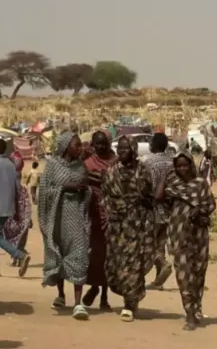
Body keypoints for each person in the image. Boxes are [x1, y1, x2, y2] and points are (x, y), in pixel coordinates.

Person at [156, 151, 216, 331]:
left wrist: (200, 212)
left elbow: (210, 204)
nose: (182, 169)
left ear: (191, 165)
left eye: (185, 165)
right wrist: (166, 175)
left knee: (198, 271)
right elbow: (158, 197)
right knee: (183, 273)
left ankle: (197, 308)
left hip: (198, 234)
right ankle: (189, 312)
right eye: (178, 166)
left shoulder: (200, 184)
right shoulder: (173, 184)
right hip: (178, 233)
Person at [38, 131, 92, 320]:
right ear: (65, 146)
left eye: (80, 145)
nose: (80, 148)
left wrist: (86, 190)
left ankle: (78, 303)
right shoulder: (52, 166)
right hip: (57, 216)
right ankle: (61, 295)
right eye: (76, 145)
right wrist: (64, 188)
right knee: (59, 252)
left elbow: (87, 187)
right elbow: (43, 191)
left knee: (79, 254)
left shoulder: (81, 167)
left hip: (76, 215)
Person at [102, 135, 156, 322]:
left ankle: (129, 303)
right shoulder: (111, 171)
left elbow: (150, 198)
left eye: (126, 149)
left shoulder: (143, 170)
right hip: (117, 226)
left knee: (133, 264)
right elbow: (106, 196)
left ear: (133, 150)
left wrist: (142, 206)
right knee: (115, 264)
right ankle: (127, 296)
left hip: (137, 225)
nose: (122, 152)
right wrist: (112, 212)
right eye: (120, 149)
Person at [0, 138, 31, 277]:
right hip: (9, 205)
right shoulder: (10, 164)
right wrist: (17, 209)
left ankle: (19, 255)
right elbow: (17, 188)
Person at [82, 130, 116, 310]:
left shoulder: (115, 162)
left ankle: (104, 295)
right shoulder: (87, 163)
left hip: (111, 216)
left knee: (108, 257)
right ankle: (94, 287)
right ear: (93, 145)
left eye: (104, 144)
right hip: (92, 215)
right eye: (98, 144)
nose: (101, 147)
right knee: (94, 256)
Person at [142, 133, 174, 290]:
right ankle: (158, 281)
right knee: (160, 243)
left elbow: (144, 185)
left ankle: (162, 263)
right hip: (169, 210)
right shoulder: (173, 163)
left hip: (152, 209)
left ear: (154, 145)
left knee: (148, 244)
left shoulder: (148, 162)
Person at [4, 152, 33, 266]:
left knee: (8, 234)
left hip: (15, 209)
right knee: (21, 234)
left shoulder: (11, 178)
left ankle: (19, 256)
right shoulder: (19, 179)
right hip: (23, 208)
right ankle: (18, 257)